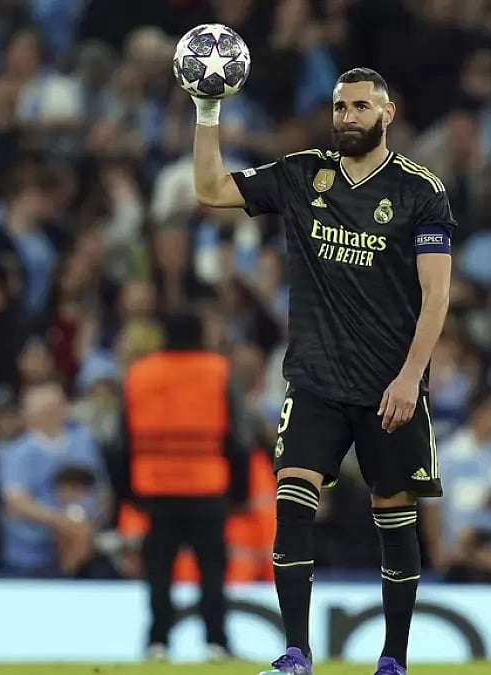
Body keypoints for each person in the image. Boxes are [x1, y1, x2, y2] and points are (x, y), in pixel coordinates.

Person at [191, 67, 456, 675]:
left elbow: (436, 294)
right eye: (340, 107)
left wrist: (410, 376)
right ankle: (296, 653)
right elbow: (209, 188)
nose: (348, 117)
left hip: (390, 384)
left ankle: (393, 659)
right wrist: (207, 110)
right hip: (315, 378)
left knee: (395, 517)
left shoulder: (421, 191)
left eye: (360, 107)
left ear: (387, 113)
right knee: (291, 501)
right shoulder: (301, 174)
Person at [117, 311, 249, 662]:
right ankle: (216, 642)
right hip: (208, 488)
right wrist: (239, 492)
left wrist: (128, 493)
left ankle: (157, 642)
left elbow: (120, 439)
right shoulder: (219, 371)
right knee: (212, 571)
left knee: (159, 571)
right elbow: (240, 437)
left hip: (155, 489)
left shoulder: (139, 373)